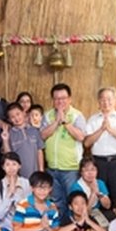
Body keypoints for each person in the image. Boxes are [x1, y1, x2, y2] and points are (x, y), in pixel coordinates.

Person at [84, 87, 116, 208]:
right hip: (98, 163)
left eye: (109, 99)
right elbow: (87, 143)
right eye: (102, 99)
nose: (106, 102)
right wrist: (102, 129)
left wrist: (111, 130)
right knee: (100, 196)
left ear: (115, 100)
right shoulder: (93, 119)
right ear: (98, 101)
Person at [41, 83, 86, 218]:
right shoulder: (48, 115)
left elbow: (81, 136)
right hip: (52, 168)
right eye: (56, 98)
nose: (60, 101)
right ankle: (60, 228)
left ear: (69, 99)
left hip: (71, 168)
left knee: (73, 201)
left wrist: (65, 122)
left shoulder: (77, 115)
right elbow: (42, 135)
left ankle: (73, 228)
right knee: (56, 202)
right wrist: (56, 122)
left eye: (63, 98)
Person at [0, 152, 30, 231]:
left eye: (14, 164)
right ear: (3, 167)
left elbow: (29, 210)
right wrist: (9, 194)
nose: (11, 168)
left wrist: (16, 198)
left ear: (19, 166)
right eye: (7, 164)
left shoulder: (26, 184)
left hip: (24, 227)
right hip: (6, 226)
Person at [1, 102, 44, 180]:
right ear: (9, 120)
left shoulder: (34, 130)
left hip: (35, 175)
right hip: (18, 177)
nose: (16, 118)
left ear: (23, 113)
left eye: (18, 114)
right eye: (12, 117)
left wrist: (41, 170)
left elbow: (39, 151)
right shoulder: (10, 134)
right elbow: (8, 156)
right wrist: (5, 140)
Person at [69, 157, 112, 227]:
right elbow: (83, 212)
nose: (90, 173)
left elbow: (107, 206)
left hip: (96, 212)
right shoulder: (76, 187)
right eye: (86, 170)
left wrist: (98, 193)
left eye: (93, 169)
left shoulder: (100, 183)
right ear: (81, 172)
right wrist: (93, 193)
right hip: (80, 215)